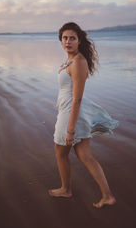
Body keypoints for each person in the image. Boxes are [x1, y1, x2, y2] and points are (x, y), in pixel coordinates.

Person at [48, 22, 119, 208]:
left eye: (72, 38)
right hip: (67, 110)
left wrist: (71, 130)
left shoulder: (78, 62)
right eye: (65, 38)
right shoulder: (70, 60)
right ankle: (108, 196)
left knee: (60, 153)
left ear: (79, 41)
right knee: (85, 156)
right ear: (60, 40)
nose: (68, 41)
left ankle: (66, 189)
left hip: (71, 114)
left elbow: (77, 98)